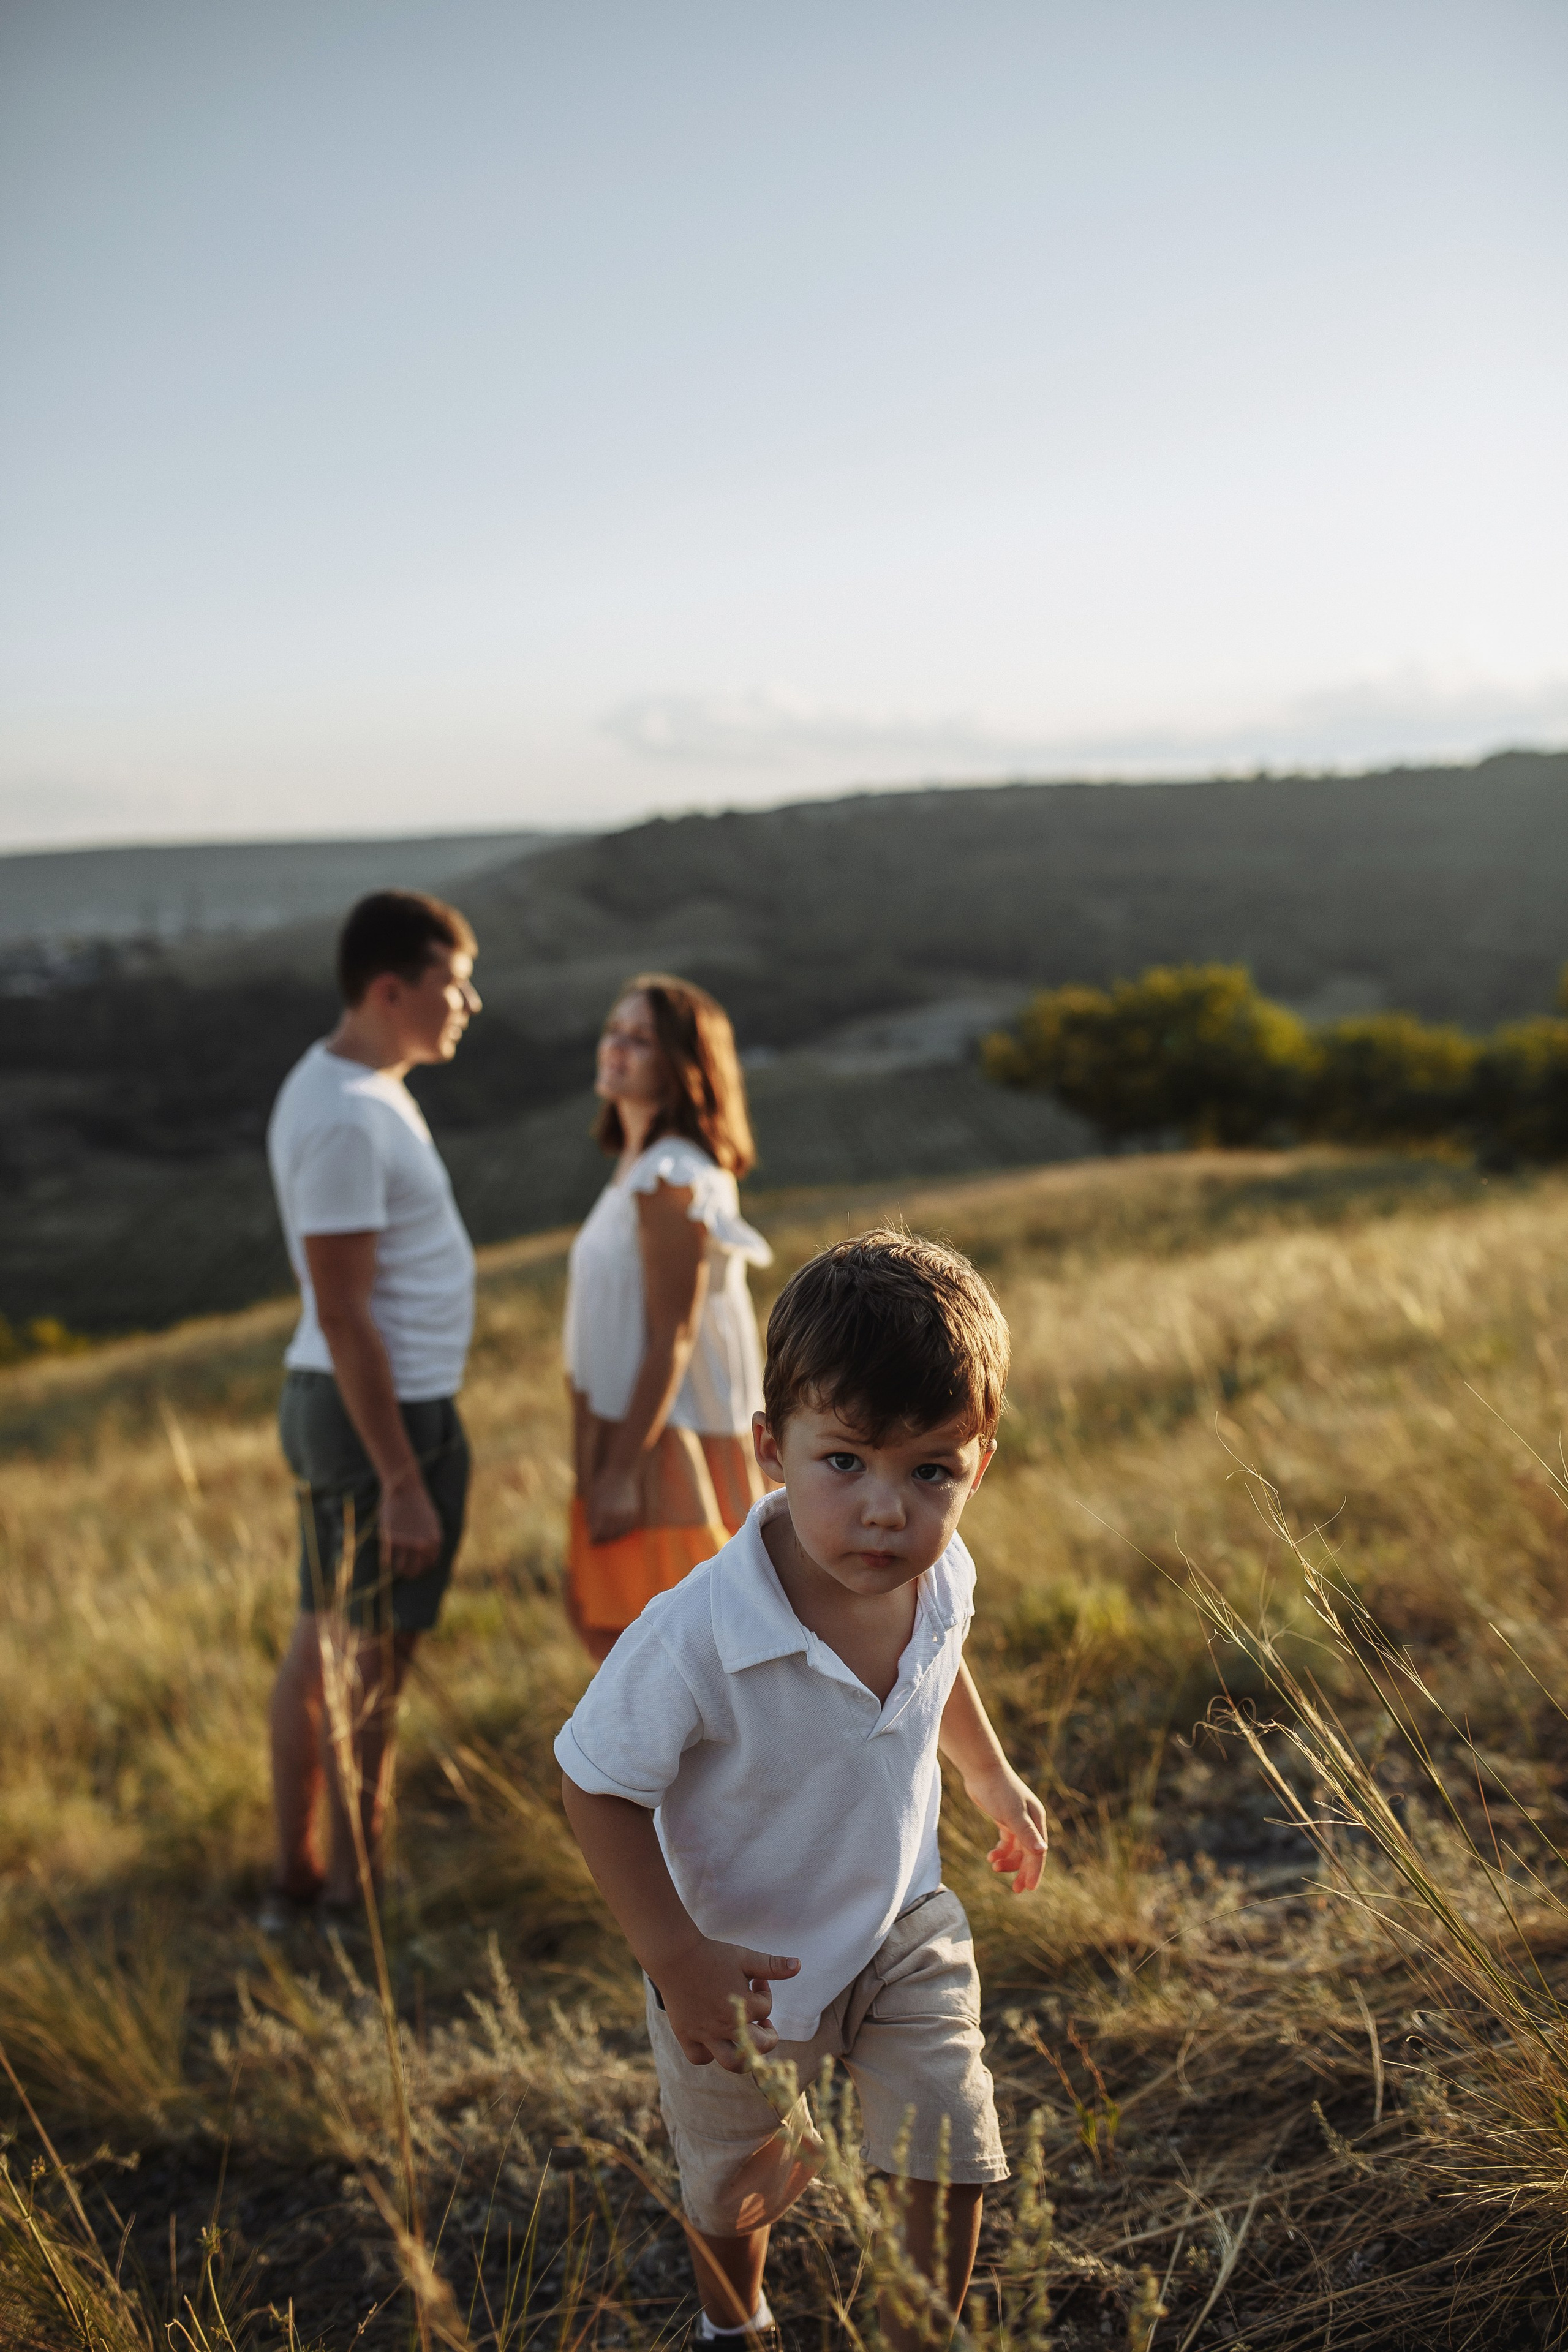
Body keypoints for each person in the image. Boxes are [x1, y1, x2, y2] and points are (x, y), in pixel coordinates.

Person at [555, 1229, 1049, 2350]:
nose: (887, 1510)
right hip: (740, 1963)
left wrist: (989, 1773)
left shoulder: (943, 1571)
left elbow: (944, 1656)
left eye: (932, 1471)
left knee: (950, 2142)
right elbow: (594, 1785)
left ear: (981, 1465)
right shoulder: (693, 1633)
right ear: (773, 1448)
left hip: (899, 1922)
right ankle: (737, 2324)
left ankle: (919, 2334)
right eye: (847, 1463)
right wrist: (677, 1958)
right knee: (737, 2184)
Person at [260, 889, 481, 1932]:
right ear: (391, 990)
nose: (468, 1003)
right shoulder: (347, 1117)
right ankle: (352, 1899)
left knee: (320, 1647)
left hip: (357, 1409)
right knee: (368, 1673)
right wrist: (402, 1478)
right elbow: (346, 1316)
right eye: (453, 983)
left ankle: (298, 1880)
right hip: (379, 1419)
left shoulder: (358, 1083)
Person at [562, 973, 771, 1663]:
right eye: (614, 1031)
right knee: (621, 1650)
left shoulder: (671, 1174)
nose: (617, 1048)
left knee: (666, 1668)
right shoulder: (637, 1166)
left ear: (683, 1064)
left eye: (641, 1040)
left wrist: (620, 1471)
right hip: (623, 1431)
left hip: (664, 1442)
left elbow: (673, 1334)